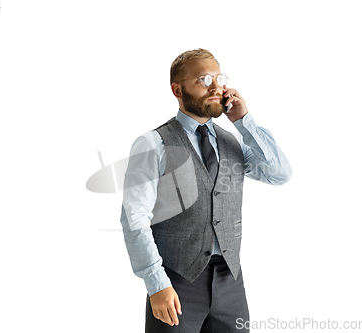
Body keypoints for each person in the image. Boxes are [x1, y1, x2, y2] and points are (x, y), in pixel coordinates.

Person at [120, 48, 292, 332]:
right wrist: (156, 283)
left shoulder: (234, 142)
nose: (216, 87)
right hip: (176, 282)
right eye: (203, 79)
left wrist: (244, 122)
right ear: (177, 89)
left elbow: (280, 174)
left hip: (230, 283)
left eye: (219, 78)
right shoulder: (153, 144)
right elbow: (134, 217)